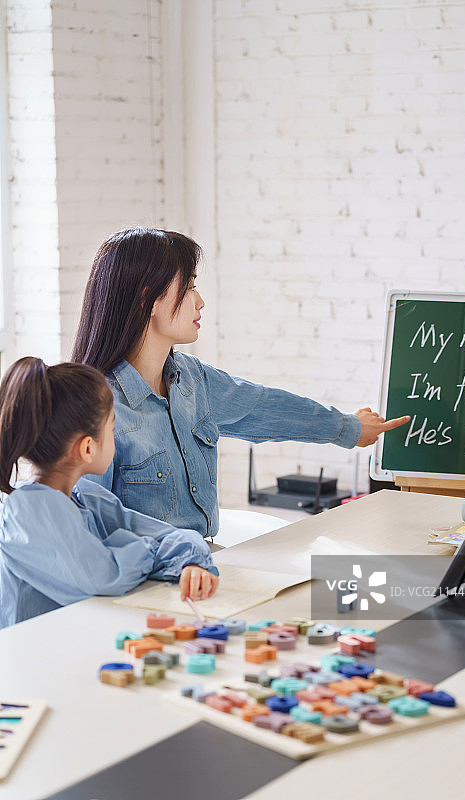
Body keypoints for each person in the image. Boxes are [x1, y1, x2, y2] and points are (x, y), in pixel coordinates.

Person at [72, 227, 409, 539]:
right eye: (188, 288)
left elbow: (266, 408)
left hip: (203, 562)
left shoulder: (193, 380)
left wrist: (348, 428)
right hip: (145, 576)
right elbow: (86, 534)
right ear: (149, 300)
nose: (200, 301)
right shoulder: (94, 409)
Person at [0, 357, 219, 629]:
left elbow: (175, 536)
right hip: (33, 649)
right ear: (88, 448)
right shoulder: (27, 512)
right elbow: (106, 576)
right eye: (112, 429)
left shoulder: (87, 497)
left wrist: (190, 563)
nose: (115, 437)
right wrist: (154, 552)